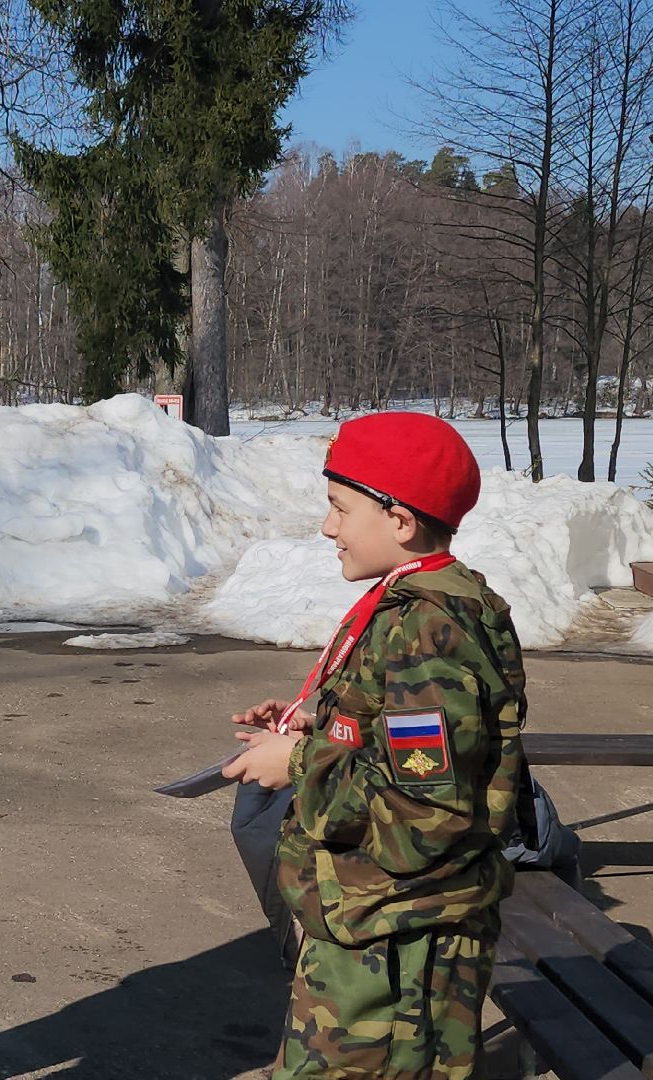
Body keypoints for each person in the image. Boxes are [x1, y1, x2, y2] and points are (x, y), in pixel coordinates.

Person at [221, 412, 528, 1080]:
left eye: (340, 508)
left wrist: (299, 765)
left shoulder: (427, 631)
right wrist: (321, 721)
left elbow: (424, 813)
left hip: (399, 952)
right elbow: (401, 736)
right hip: (376, 926)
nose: (328, 527)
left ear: (400, 521)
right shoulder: (419, 606)